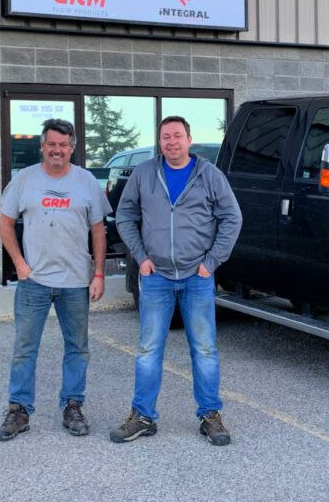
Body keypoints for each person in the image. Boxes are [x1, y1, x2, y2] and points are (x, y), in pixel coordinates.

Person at [110, 116, 242, 446]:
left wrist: (211, 262)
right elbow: (125, 215)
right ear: (160, 142)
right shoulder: (143, 174)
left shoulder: (210, 175)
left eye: (177, 136)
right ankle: (143, 417)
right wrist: (141, 257)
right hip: (157, 278)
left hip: (197, 278)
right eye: (166, 137)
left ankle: (210, 416)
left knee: (205, 350)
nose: (172, 142)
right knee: (148, 350)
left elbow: (232, 217)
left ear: (189, 139)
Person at [0, 118, 111, 441]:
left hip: (76, 281)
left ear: (72, 148)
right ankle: (19, 411)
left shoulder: (86, 181)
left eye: (63, 145)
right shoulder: (24, 180)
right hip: (35, 282)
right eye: (51, 144)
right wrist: (19, 263)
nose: (57, 150)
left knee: (77, 348)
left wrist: (99, 273)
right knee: (24, 349)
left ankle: (72, 406)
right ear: (42, 146)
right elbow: (5, 224)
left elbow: (98, 231)